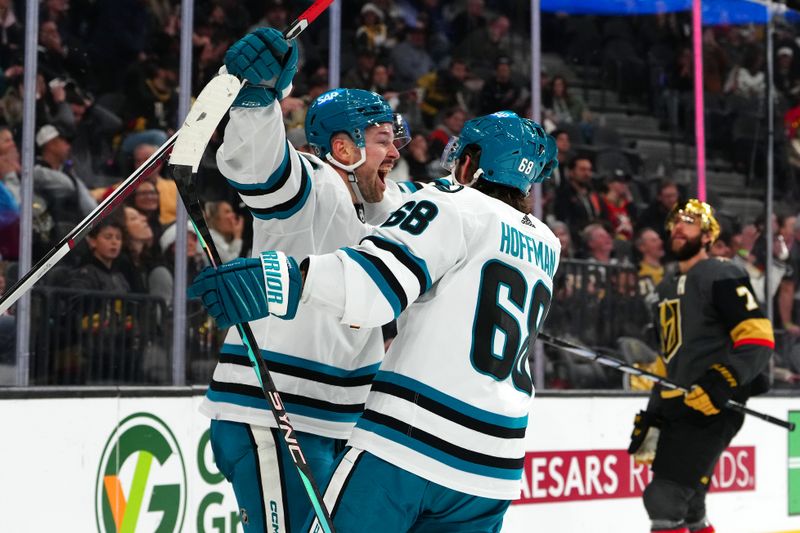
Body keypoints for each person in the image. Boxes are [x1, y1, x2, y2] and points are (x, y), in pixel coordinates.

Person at [189, 111, 560, 532]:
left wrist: (283, 279)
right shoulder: (546, 241)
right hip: (495, 466)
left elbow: (375, 286)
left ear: (471, 163)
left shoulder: (452, 206)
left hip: (413, 443)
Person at [194, 27, 409, 532]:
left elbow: (421, 212)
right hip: (273, 413)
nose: (394, 153)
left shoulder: (378, 212)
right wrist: (256, 100)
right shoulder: (316, 187)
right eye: (382, 141)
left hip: (331, 422)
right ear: (343, 146)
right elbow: (260, 169)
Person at [628, 199, 773, 533]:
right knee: (691, 505)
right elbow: (672, 355)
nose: (678, 227)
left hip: (713, 404)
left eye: (690, 221)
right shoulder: (665, 287)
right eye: (674, 222)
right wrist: (654, 403)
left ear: (708, 236)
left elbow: (758, 338)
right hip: (677, 404)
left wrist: (723, 382)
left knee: (664, 498)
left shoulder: (721, 273)